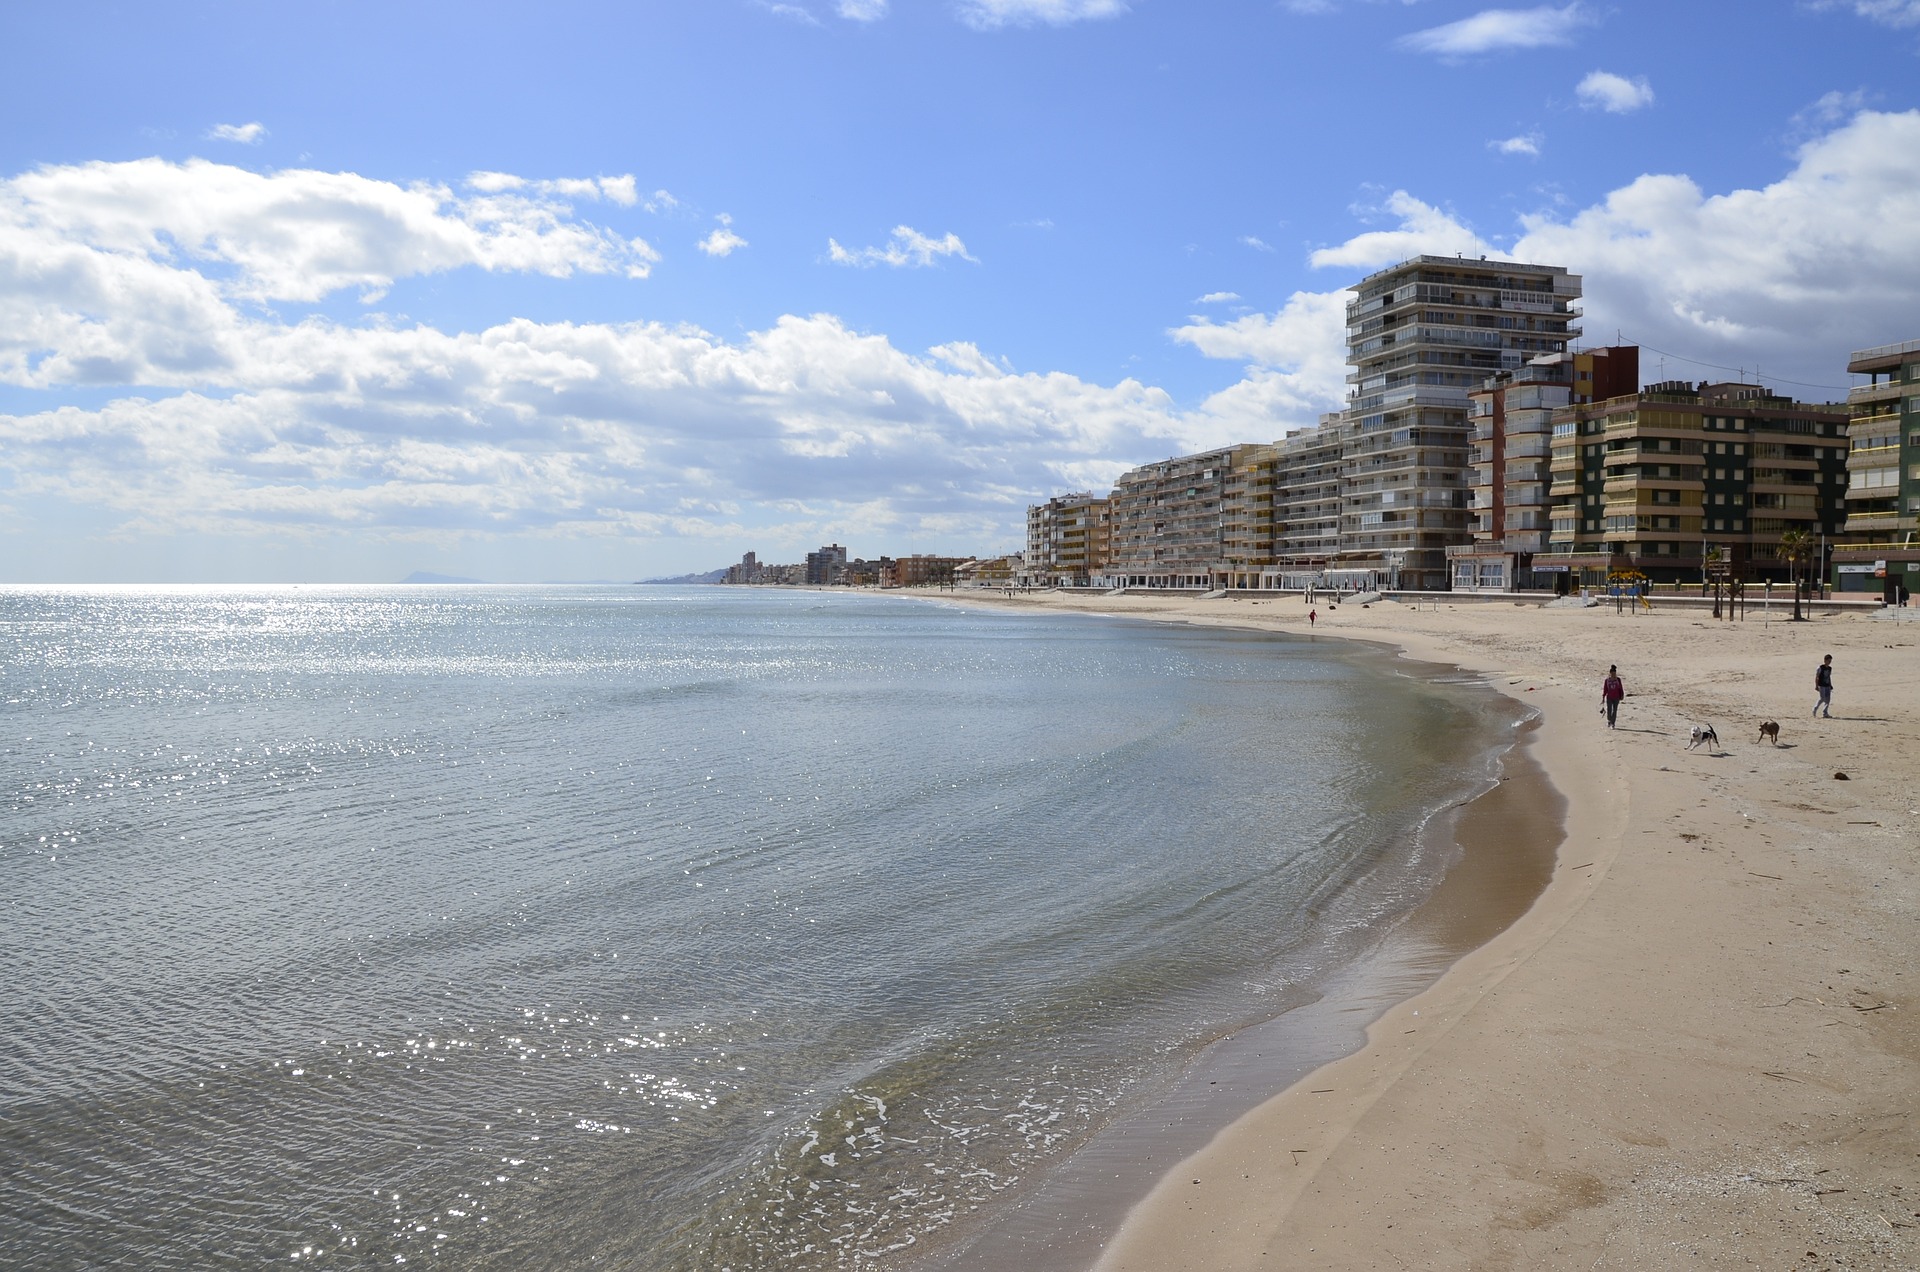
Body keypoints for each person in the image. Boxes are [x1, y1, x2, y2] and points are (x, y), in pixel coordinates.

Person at [1601, 664, 1624, 729]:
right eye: (1612, 674)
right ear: (1610, 673)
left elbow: (1620, 688)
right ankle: (1609, 720)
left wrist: (1622, 695)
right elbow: (1605, 689)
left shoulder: (1618, 680)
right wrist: (1603, 697)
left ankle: (1613, 723)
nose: (1614, 675)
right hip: (1609, 697)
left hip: (1616, 697)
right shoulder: (1607, 680)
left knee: (1615, 710)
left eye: (1615, 674)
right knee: (1609, 710)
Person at [1813, 653, 1834, 718]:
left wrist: (1830, 685)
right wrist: (1816, 686)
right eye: (1828, 661)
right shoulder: (1820, 668)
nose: (1829, 662)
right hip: (1821, 685)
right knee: (1822, 698)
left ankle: (1825, 713)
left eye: (1830, 661)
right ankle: (1815, 708)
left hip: (1827, 685)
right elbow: (1817, 677)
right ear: (1825, 660)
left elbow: (1828, 677)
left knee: (1828, 699)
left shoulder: (1830, 668)